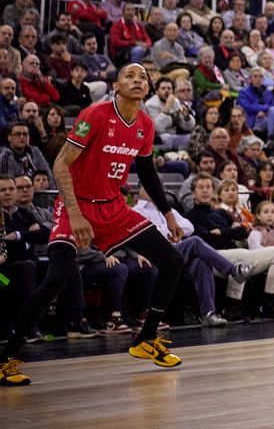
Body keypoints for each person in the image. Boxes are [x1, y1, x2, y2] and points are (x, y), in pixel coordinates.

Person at [1, 63, 188, 385]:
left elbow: (147, 173)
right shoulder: (95, 115)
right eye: (130, 75)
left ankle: (146, 339)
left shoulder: (144, 124)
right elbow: (61, 164)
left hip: (114, 209)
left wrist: (168, 213)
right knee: (57, 278)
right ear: (116, 85)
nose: (138, 80)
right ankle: (7, 358)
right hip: (76, 206)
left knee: (172, 260)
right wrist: (74, 214)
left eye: (143, 77)